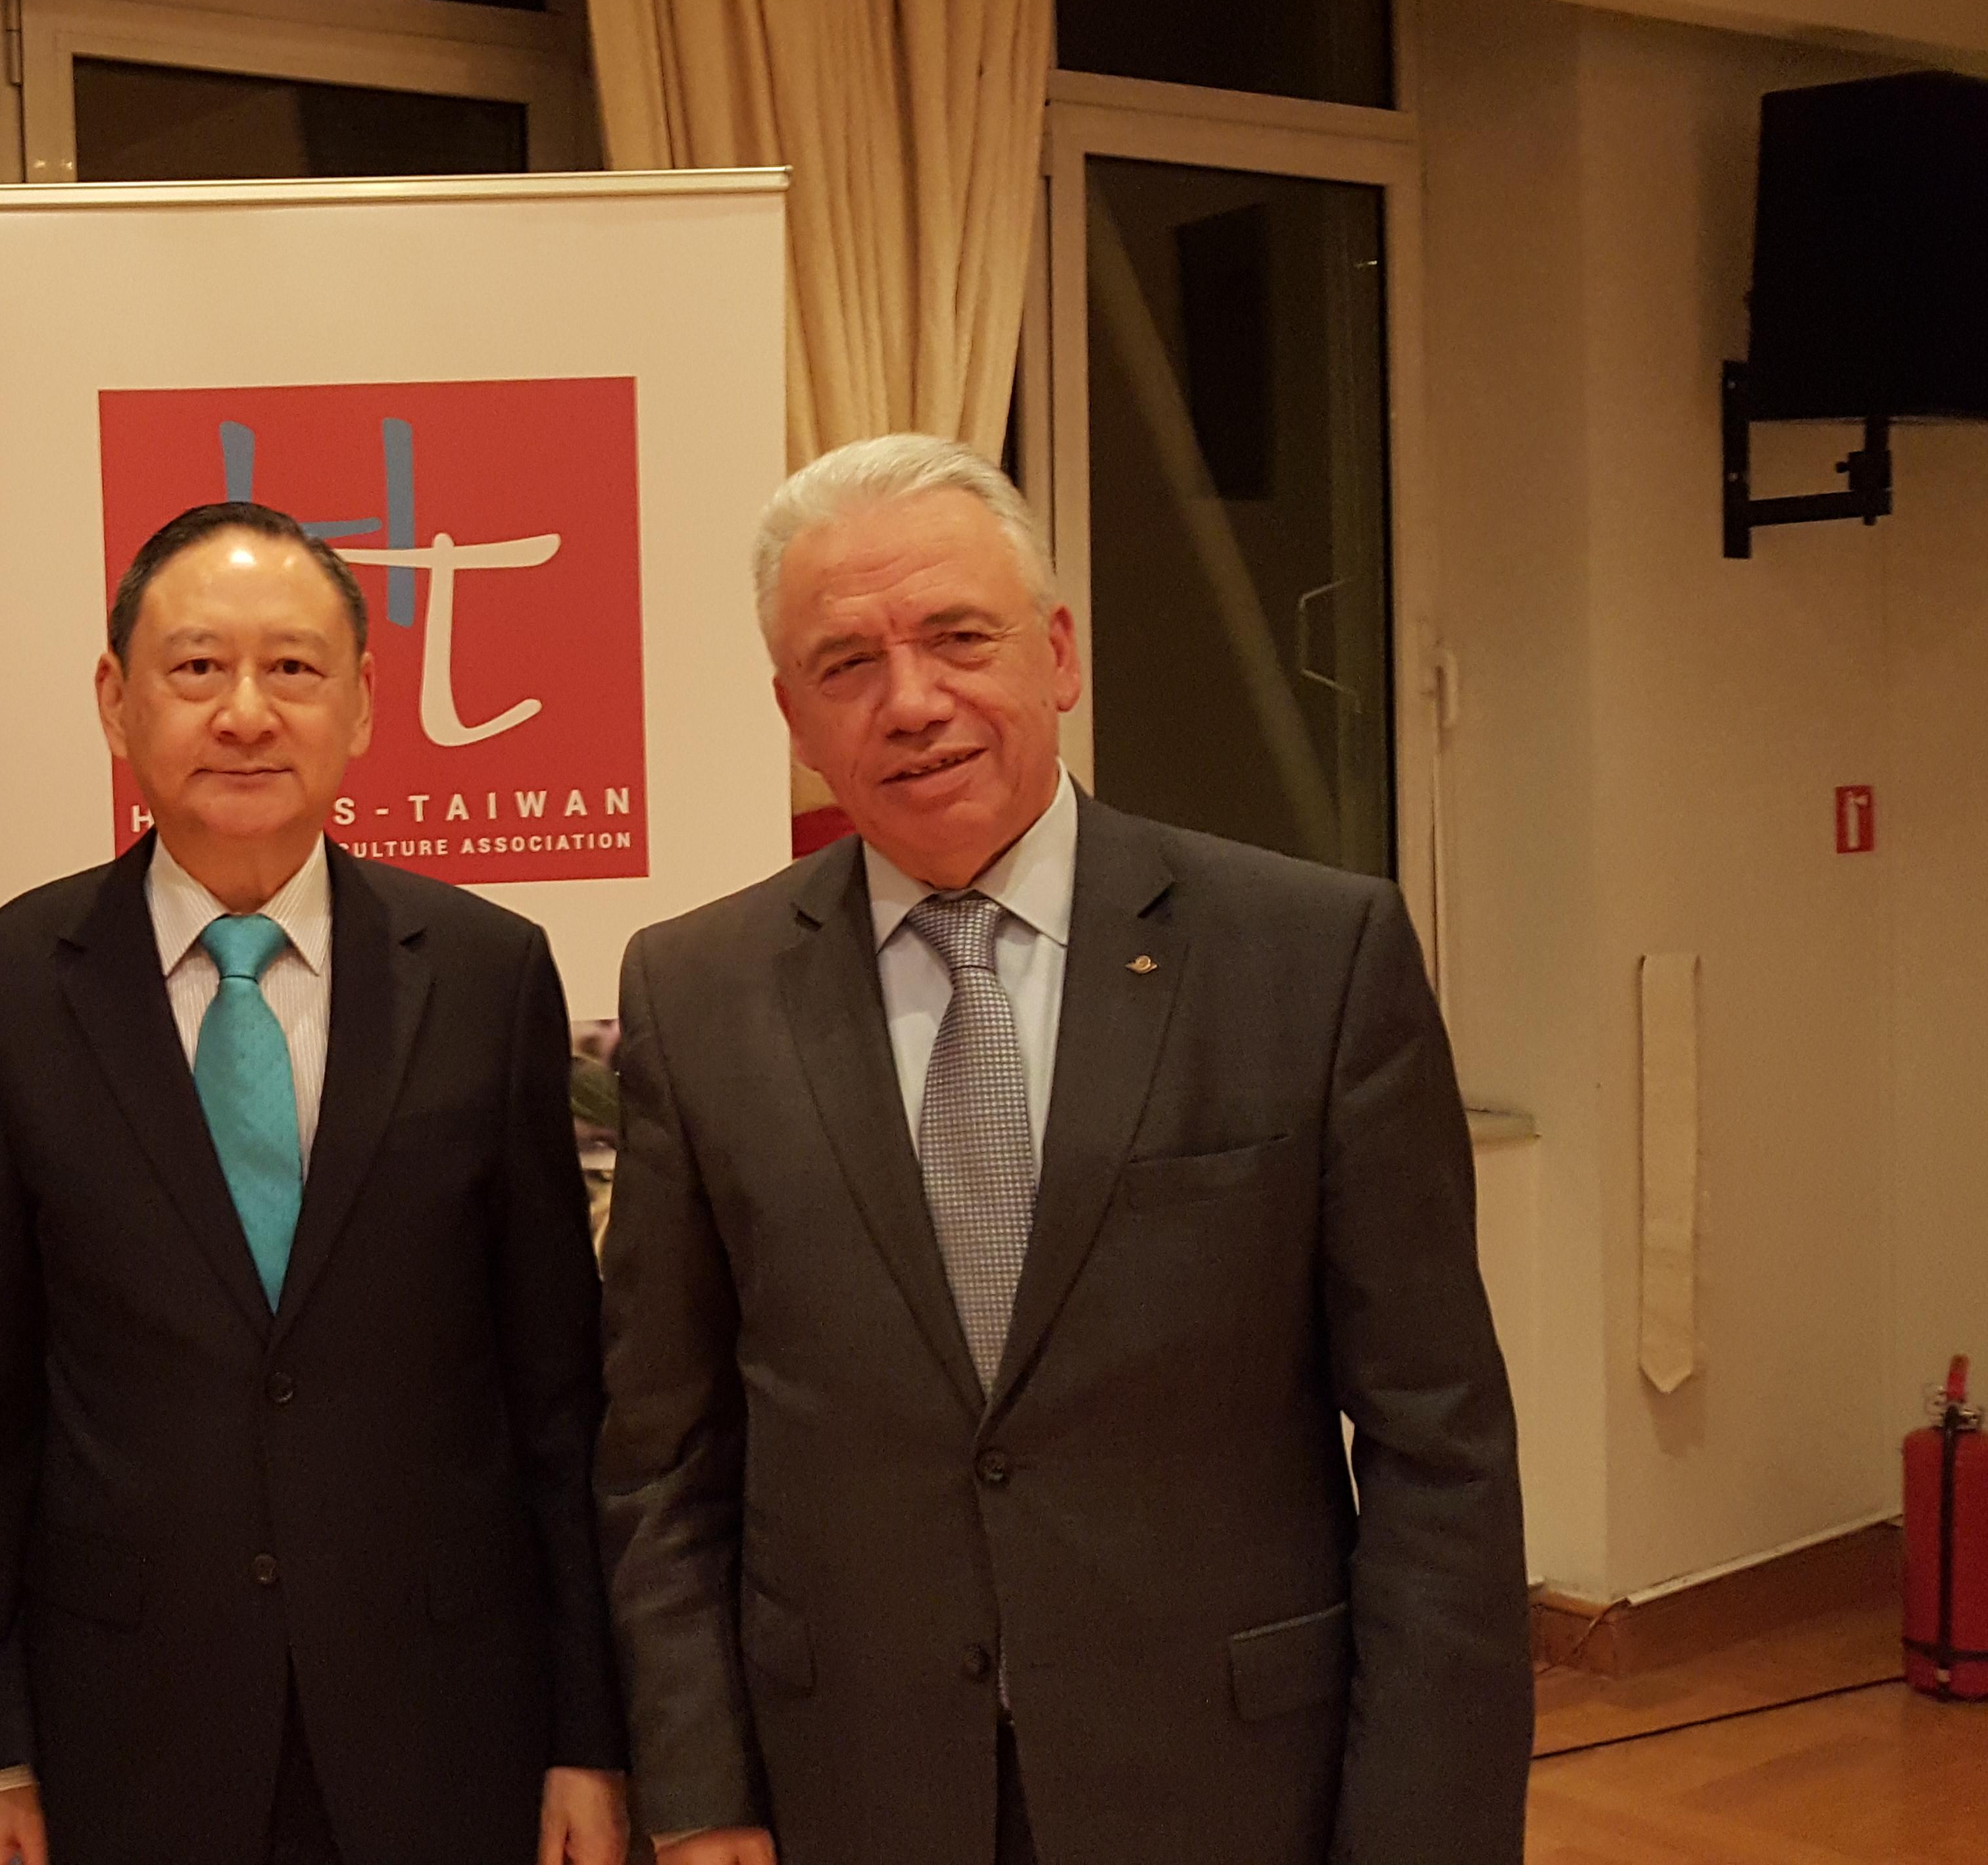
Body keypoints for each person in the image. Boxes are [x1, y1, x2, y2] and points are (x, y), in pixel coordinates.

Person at [596, 436, 1529, 1865]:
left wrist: (1421, 1830)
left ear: (1057, 652)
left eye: (959, 638)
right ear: (791, 713)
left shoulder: (1310, 958)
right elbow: (663, 1452)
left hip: (1227, 1785)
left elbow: (1436, 1452)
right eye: (846, 665)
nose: (912, 701)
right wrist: (699, 1785)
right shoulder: (696, 994)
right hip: (848, 1781)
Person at [0, 501, 629, 1865]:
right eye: (196, 669)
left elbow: (555, 1398)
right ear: (115, 700)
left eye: (293, 669)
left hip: (446, 1727)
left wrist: (586, 1736)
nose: (245, 713)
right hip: (123, 1736)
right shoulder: (0, 994)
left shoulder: (487, 977)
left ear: (364, 706)